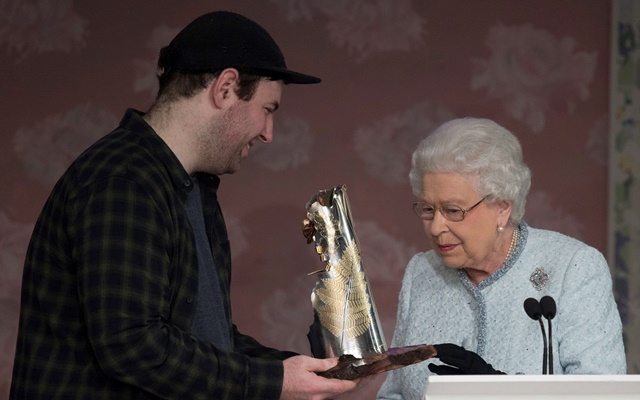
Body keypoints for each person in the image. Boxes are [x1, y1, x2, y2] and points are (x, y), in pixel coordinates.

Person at [10, 11, 360, 400]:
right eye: (268, 109)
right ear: (225, 88)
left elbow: (208, 340)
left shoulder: (190, 188)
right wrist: (275, 383)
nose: (268, 133)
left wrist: (298, 373)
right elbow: (132, 347)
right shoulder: (124, 182)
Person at [377, 117, 626, 400]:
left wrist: (500, 389)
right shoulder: (421, 272)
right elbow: (394, 393)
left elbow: (604, 394)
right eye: (427, 209)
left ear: (502, 207)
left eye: (453, 210)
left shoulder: (574, 268)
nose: (436, 227)